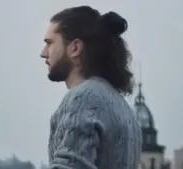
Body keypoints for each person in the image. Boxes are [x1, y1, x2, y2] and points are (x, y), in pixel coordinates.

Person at [40, 5, 142, 169]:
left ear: (75, 48)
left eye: (49, 43)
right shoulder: (126, 110)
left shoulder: (83, 98)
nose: (43, 53)